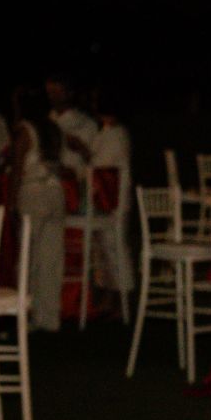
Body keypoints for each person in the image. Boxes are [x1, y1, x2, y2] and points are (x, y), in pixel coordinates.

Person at [10, 87, 68, 331]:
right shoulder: (53, 129)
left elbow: (17, 167)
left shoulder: (25, 130)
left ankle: (28, 313)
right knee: (51, 256)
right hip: (55, 193)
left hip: (33, 193)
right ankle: (50, 316)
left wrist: (11, 201)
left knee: (29, 255)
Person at [88, 90, 135, 303]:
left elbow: (100, 164)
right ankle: (108, 293)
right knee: (102, 248)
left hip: (114, 198)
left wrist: (83, 152)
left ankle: (120, 296)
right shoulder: (107, 132)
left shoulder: (116, 134)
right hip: (105, 197)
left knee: (114, 246)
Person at [46, 73, 98, 185]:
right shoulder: (45, 123)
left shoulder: (87, 124)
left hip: (74, 186)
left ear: (70, 93)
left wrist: (81, 150)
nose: (52, 97)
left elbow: (96, 162)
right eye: (50, 93)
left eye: (57, 92)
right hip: (48, 187)